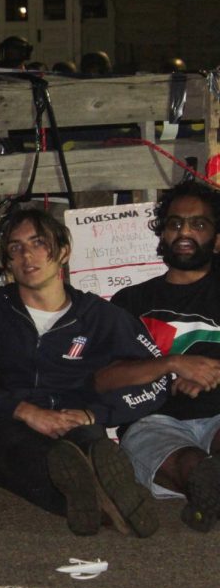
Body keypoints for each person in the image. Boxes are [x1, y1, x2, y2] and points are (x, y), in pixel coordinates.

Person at [0, 208, 167, 536]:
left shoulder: (100, 316)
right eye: (15, 248)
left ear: (63, 251)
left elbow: (158, 381)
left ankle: (103, 491)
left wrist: (93, 414)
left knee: (86, 447)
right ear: (7, 261)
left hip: (74, 418)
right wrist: (23, 410)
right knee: (25, 457)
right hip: (11, 421)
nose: (27, 255)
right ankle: (102, 500)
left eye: (38, 243)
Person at [100, 181, 220, 532]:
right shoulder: (131, 300)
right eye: (174, 223)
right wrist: (172, 364)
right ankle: (204, 486)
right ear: (162, 235)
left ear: (216, 237)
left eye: (198, 224)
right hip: (153, 419)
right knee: (190, 465)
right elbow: (103, 378)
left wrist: (212, 373)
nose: (184, 231)